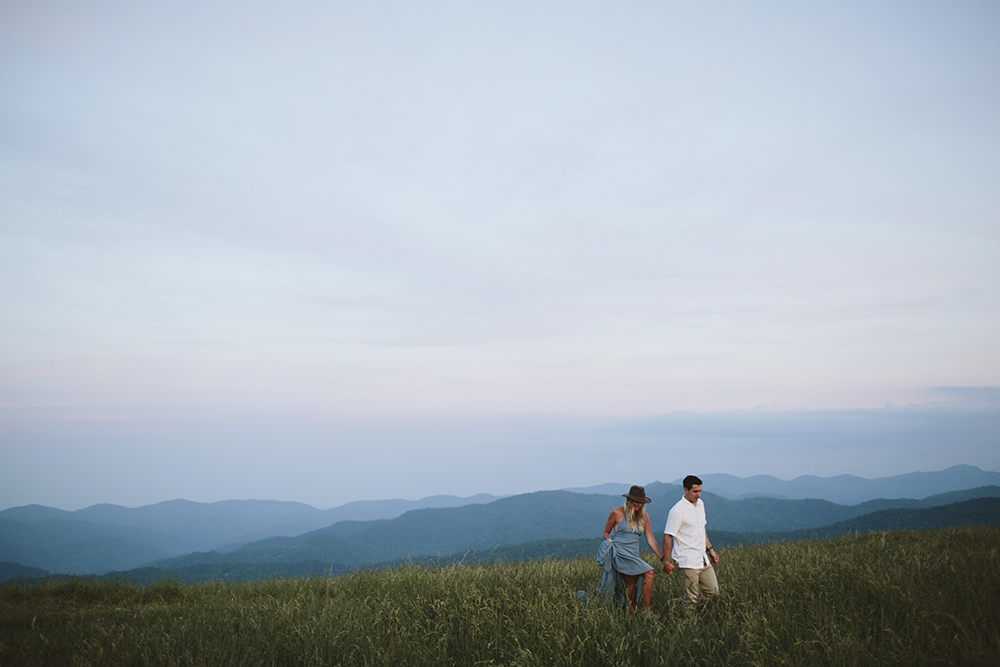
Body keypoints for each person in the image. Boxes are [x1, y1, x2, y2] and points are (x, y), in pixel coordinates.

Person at [601, 485, 665, 614]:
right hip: (620, 553)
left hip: (633, 555)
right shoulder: (617, 513)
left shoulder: (644, 517)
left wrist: (662, 557)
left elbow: (650, 539)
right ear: (629, 500)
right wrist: (609, 542)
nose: (639, 505)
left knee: (631, 590)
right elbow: (605, 532)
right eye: (636, 502)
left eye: (641, 503)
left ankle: (630, 619)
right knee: (649, 573)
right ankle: (647, 611)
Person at [661, 475, 720, 612]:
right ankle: (688, 627)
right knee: (691, 599)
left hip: (702, 558)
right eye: (695, 491)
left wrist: (710, 549)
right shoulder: (677, 511)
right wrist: (667, 561)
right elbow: (667, 537)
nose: (698, 494)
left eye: (700, 491)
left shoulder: (700, 504)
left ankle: (675, 604)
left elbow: (701, 529)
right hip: (687, 560)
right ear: (686, 490)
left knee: (713, 592)